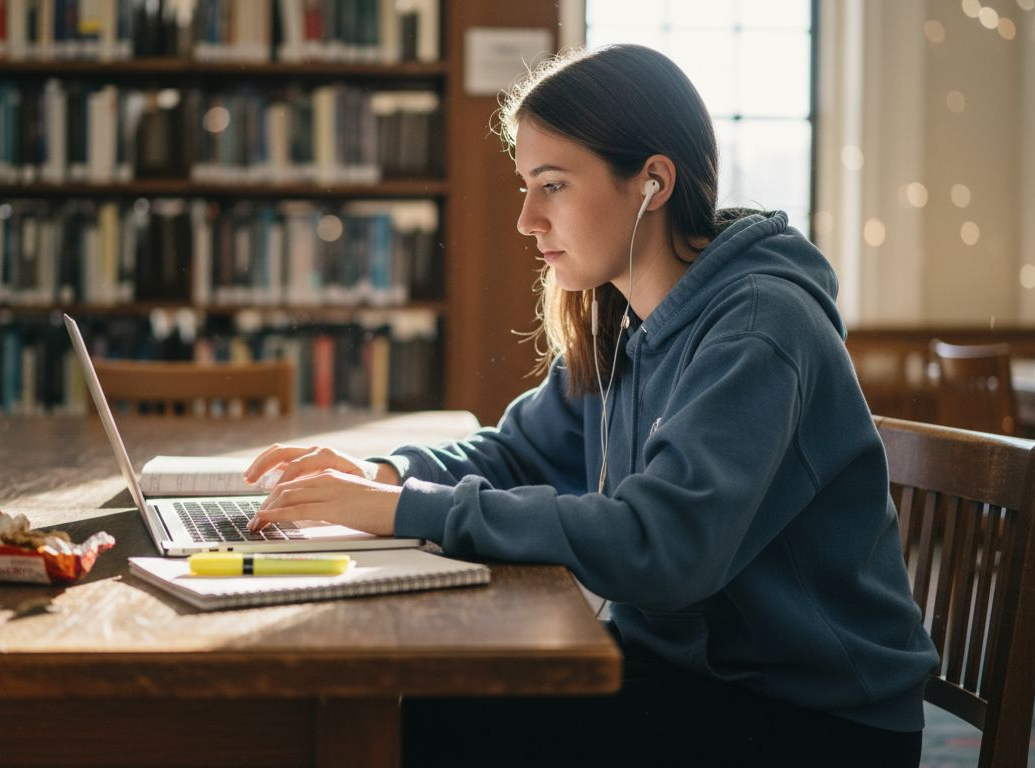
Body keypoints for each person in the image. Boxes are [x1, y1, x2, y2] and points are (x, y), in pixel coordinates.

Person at [243, 44, 937, 767]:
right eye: (526, 185)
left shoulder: (760, 327)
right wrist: (380, 476)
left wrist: (404, 510)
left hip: (810, 718)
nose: (525, 220)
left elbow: (661, 549)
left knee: (431, 721)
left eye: (553, 186)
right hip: (689, 674)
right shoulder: (625, 313)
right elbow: (521, 451)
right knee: (424, 701)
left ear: (651, 183)